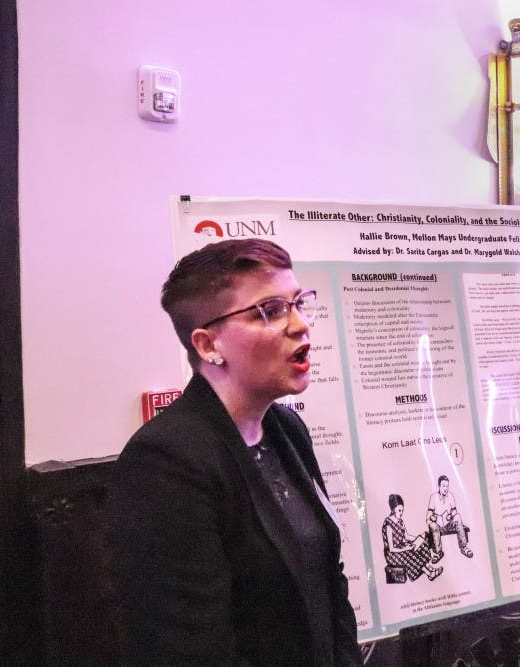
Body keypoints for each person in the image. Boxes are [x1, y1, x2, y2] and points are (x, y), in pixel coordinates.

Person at [110, 239, 361, 665]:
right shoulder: (166, 461)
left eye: (298, 303)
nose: (300, 325)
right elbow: (193, 650)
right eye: (271, 310)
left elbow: (328, 585)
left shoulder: (287, 429)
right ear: (209, 346)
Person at [383, 493, 443, 582]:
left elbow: (406, 536)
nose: (401, 513)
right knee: (410, 552)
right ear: (393, 509)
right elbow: (391, 549)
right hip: (393, 554)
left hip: (401, 546)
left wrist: (419, 538)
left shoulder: (400, 521)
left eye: (402, 510)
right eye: (399, 510)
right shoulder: (388, 524)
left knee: (419, 545)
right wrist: (406, 548)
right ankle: (429, 573)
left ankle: (430, 568)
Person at [426, 474, 472, 560]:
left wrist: (451, 515)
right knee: (433, 525)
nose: (445, 488)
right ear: (439, 486)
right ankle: (438, 552)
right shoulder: (433, 497)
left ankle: (463, 547)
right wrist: (432, 518)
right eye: (443, 486)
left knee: (458, 516)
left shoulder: (450, 495)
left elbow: (454, 511)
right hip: (438, 525)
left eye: (447, 486)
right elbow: (428, 517)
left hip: (447, 523)